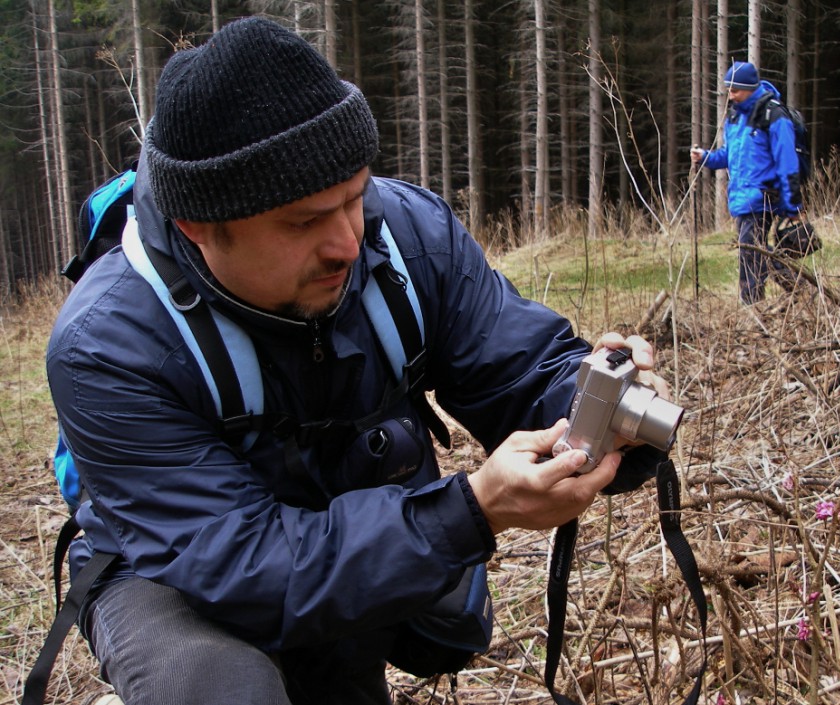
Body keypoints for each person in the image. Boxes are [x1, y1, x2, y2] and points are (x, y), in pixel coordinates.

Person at [46, 17, 669, 705]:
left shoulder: (404, 235)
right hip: (175, 565)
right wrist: (468, 512)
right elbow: (244, 565)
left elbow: (518, 369)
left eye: (355, 195)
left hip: (338, 510)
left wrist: (597, 405)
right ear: (199, 227)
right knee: (221, 687)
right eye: (304, 221)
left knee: (378, 655)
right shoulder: (105, 346)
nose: (348, 242)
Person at [691, 60, 804, 305]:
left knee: (751, 253)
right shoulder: (735, 117)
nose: (730, 96)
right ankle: (800, 287)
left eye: (735, 90)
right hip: (741, 198)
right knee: (755, 252)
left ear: (750, 88)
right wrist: (706, 158)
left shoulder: (773, 114)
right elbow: (729, 156)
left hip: (763, 197)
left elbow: (787, 162)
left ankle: (753, 307)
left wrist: (793, 206)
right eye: (728, 90)